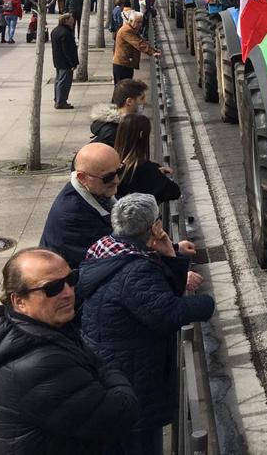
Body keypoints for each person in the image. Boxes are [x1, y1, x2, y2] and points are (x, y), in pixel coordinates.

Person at [79, 195, 215, 455]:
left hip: (111, 365)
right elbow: (167, 312)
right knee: (139, 444)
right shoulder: (136, 269)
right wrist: (205, 304)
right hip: (132, 379)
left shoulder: (108, 248)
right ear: (154, 227)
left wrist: (169, 254)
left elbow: (160, 295)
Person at [0, 248, 139, 454]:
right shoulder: (40, 365)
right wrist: (105, 369)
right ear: (19, 301)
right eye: (53, 288)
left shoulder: (26, 331)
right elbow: (121, 415)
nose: (68, 292)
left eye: (71, 279)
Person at [39, 143, 123, 269]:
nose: (116, 180)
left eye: (120, 170)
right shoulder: (74, 215)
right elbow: (115, 255)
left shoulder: (95, 190)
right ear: (82, 177)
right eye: (108, 177)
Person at [115, 114, 180, 203]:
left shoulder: (112, 162)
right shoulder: (142, 169)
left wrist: (155, 171)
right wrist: (155, 174)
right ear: (142, 135)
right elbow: (174, 191)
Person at [90, 79, 149, 147]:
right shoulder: (113, 132)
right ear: (129, 101)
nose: (144, 102)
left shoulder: (126, 125)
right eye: (142, 98)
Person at [111, 12, 159, 84]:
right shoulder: (126, 30)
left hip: (127, 64)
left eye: (141, 22)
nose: (140, 24)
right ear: (131, 21)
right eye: (138, 22)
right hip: (122, 64)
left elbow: (141, 41)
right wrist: (152, 52)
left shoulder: (132, 29)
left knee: (126, 89)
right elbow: (138, 43)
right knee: (122, 89)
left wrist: (154, 50)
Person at [51, 13, 79, 110]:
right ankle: (61, 101)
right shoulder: (65, 33)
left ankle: (58, 99)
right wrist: (73, 63)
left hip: (58, 61)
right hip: (65, 62)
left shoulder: (56, 31)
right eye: (71, 19)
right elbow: (67, 50)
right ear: (66, 20)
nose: (73, 21)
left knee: (59, 80)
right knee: (64, 82)